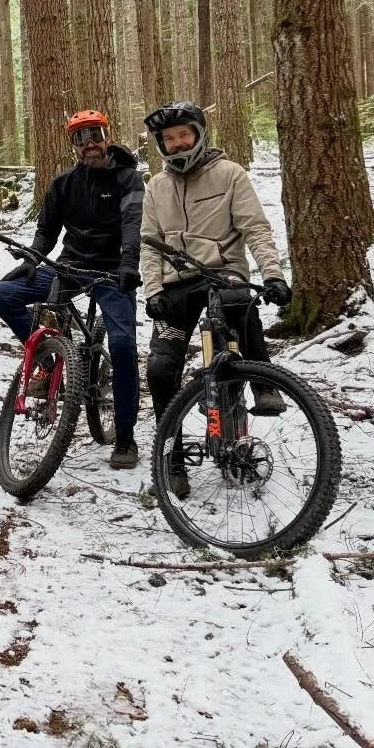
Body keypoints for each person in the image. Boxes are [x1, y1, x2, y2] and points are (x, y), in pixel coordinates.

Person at [140, 101, 290, 495]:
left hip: (222, 276)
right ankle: (171, 459)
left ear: (199, 134)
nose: (176, 144)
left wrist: (272, 274)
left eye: (183, 135)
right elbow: (150, 245)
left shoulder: (229, 174)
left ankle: (263, 383)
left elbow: (255, 228)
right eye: (168, 139)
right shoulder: (156, 186)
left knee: (237, 301)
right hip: (175, 287)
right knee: (159, 369)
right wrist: (153, 290)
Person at [0, 110, 144, 468]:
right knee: (4, 295)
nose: (88, 143)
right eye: (79, 137)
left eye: (94, 134)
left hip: (111, 272)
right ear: (72, 145)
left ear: (107, 135)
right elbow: (47, 230)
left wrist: (128, 265)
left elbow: (133, 225)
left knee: (122, 345)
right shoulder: (63, 183)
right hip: (69, 268)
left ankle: (124, 436)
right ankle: (52, 357)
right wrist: (33, 259)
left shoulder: (128, 179)